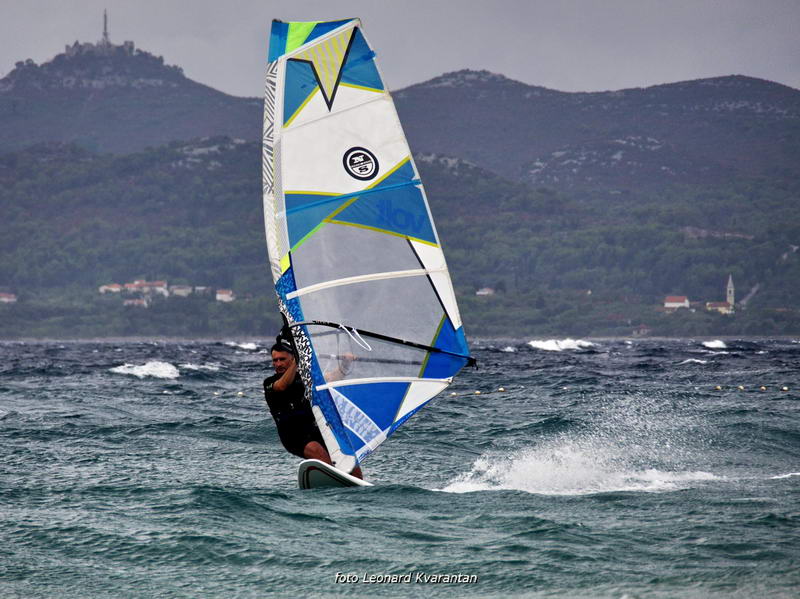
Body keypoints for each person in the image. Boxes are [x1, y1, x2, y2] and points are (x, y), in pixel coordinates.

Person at [263, 336, 363, 479]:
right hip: (293, 435)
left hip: (315, 430)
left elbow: (331, 378)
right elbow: (282, 386)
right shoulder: (270, 383)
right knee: (317, 450)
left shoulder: (305, 378)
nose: (278, 364)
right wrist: (299, 360)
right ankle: (335, 481)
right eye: (275, 360)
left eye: (282, 359)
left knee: (350, 460)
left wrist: (345, 364)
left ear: (291, 358)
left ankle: (357, 484)